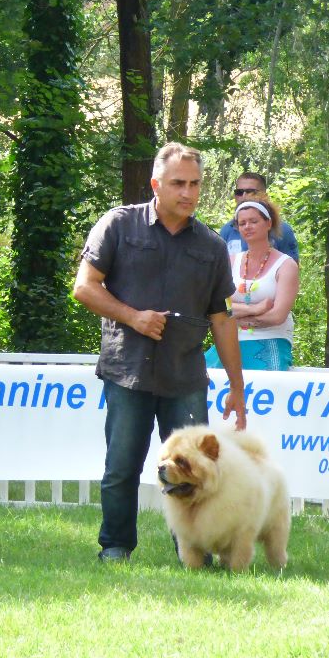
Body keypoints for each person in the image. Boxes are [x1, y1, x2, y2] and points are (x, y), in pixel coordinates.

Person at [72, 142, 246, 564]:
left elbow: (222, 319)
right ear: (156, 185)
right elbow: (84, 287)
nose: (188, 192)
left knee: (196, 469)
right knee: (122, 468)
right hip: (128, 370)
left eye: (195, 184)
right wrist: (133, 317)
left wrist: (237, 386)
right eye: (178, 183)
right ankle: (115, 548)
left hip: (185, 375)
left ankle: (194, 552)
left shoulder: (211, 245)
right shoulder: (118, 225)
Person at [205, 197, 299, 371]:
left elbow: (277, 316)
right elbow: (218, 307)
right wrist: (255, 309)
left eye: (253, 221)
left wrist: (239, 318)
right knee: (201, 374)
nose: (247, 226)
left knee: (268, 381)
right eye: (242, 223)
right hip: (232, 339)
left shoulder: (286, 265)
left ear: (268, 223)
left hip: (272, 338)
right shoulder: (230, 261)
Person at [219, 171, 299, 263]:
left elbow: (292, 267)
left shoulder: (282, 230)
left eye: (250, 192)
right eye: (239, 192)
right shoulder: (227, 230)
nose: (244, 196)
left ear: (264, 195)